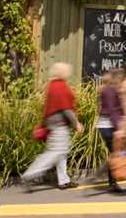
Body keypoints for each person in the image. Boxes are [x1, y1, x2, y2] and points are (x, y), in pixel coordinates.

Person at [21, 62, 82, 190]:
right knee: (55, 152)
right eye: (66, 70)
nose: (68, 72)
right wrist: (76, 123)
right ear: (62, 72)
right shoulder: (60, 86)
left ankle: (63, 181)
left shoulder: (52, 85)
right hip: (59, 124)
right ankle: (30, 174)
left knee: (61, 153)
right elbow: (66, 108)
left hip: (53, 123)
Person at [96, 69, 126, 194]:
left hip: (108, 125)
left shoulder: (111, 89)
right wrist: (119, 128)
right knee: (117, 153)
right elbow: (111, 111)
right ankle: (105, 177)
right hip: (108, 126)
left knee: (117, 153)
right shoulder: (110, 90)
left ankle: (112, 182)